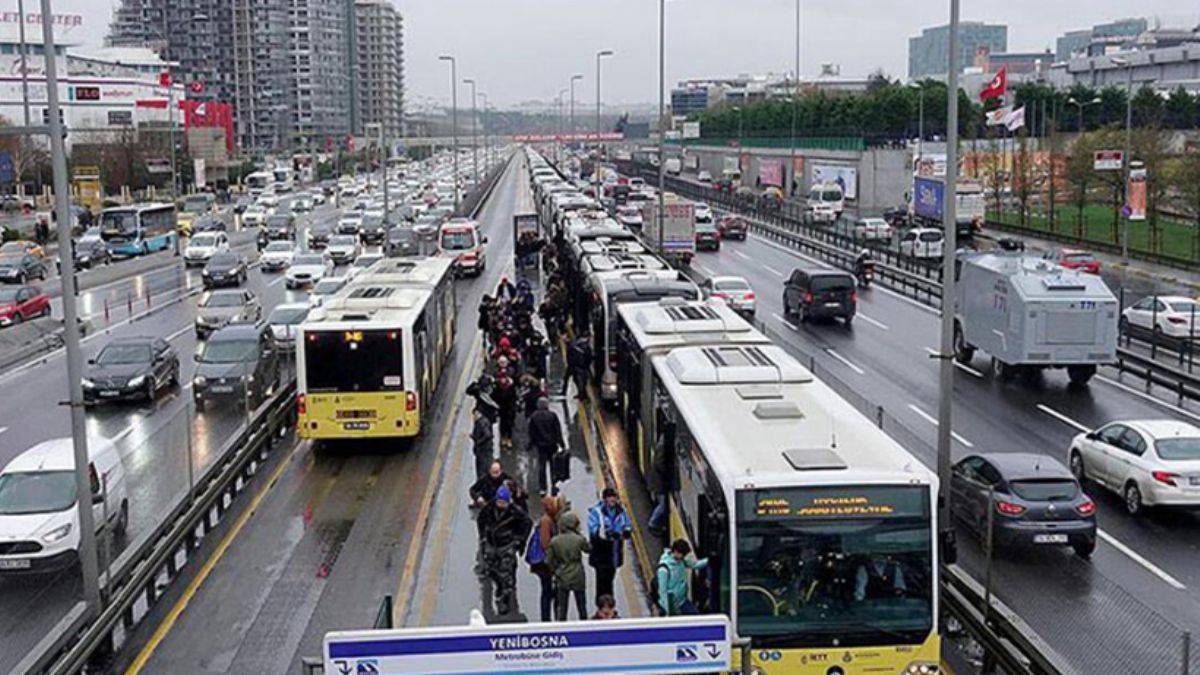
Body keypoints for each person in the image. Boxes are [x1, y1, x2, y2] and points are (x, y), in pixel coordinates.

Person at [476, 485, 532, 616]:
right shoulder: (489, 509)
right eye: (499, 502)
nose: (501, 505)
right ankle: (500, 586)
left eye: (503, 502)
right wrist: (483, 537)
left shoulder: (515, 512)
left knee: (507, 574)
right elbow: (480, 520)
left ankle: (504, 599)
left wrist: (520, 540)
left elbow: (527, 523)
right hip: (491, 545)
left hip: (507, 545)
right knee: (490, 570)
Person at [587, 487, 632, 605]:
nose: (612, 500)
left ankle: (609, 605)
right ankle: (601, 605)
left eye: (614, 497)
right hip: (601, 553)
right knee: (601, 580)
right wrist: (607, 533)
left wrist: (626, 531)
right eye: (610, 497)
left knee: (610, 579)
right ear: (605, 499)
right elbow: (593, 530)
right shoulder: (597, 512)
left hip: (614, 552)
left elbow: (627, 524)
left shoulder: (621, 511)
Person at [546, 511, 590, 621]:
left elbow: (548, 561)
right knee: (581, 605)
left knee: (562, 606)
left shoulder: (555, 541)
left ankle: (562, 625)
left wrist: (555, 570)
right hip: (578, 574)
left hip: (562, 574)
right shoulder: (578, 539)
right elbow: (588, 549)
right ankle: (584, 624)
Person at [528, 494, 565, 622]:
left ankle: (549, 616)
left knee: (550, 590)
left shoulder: (550, 519)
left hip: (546, 562)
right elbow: (545, 543)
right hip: (545, 564)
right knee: (548, 591)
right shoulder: (546, 521)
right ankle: (546, 618)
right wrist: (553, 559)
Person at [656, 539, 708, 616]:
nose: (683, 557)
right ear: (676, 551)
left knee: (697, 618)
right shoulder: (664, 569)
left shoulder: (681, 560)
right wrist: (668, 611)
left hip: (682, 601)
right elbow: (662, 592)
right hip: (672, 607)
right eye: (682, 554)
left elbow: (694, 565)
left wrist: (708, 561)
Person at [527, 397, 565, 495]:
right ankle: (554, 484)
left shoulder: (534, 416)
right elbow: (558, 430)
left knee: (542, 466)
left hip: (541, 446)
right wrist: (561, 443)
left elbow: (532, 432)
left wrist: (531, 444)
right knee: (553, 466)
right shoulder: (552, 415)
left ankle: (543, 487)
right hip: (552, 445)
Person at [563, 333, 592, 400]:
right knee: (582, 381)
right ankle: (582, 394)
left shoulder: (574, 345)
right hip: (581, 366)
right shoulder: (584, 346)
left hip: (576, 366)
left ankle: (582, 394)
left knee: (579, 380)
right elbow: (589, 357)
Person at [471, 407, 495, 480]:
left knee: (482, 469)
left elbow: (488, 435)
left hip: (483, 451)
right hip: (484, 451)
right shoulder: (483, 421)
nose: (473, 417)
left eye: (474, 415)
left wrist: (478, 441)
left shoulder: (481, 422)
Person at [495, 375, 517, 449]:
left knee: (509, 425)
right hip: (502, 409)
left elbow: (514, 397)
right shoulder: (498, 387)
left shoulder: (511, 387)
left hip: (509, 409)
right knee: (502, 424)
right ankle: (503, 438)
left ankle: (509, 439)